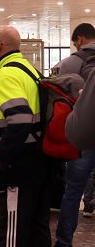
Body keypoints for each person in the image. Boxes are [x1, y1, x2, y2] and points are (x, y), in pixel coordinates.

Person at [0, 26, 51, 246]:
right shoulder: (28, 70)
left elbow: (20, 119)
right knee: (36, 231)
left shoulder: (7, 73)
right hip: (39, 162)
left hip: (17, 168)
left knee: (12, 235)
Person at [54, 23, 95, 247]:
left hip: (81, 137)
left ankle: (63, 241)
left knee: (73, 190)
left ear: (79, 39)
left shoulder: (69, 63)